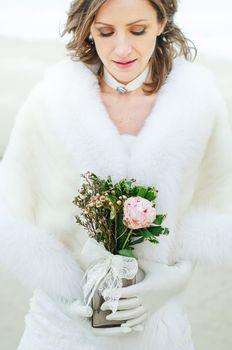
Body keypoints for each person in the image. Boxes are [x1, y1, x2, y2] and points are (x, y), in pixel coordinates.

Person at [0, 0, 232, 349]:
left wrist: (175, 279)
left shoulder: (198, 106)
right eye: (105, 32)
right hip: (62, 327)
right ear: (88, 29)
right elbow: (13, 209)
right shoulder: (50, 102)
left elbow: (214, 205)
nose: (121, 48)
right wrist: (65, 295)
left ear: (161, 21)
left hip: (154, 328)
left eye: (137, 30)